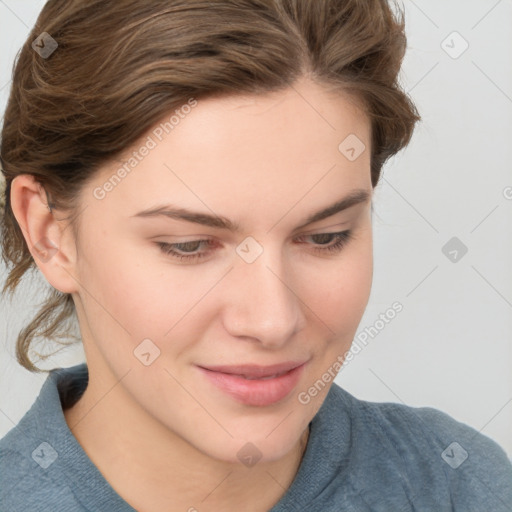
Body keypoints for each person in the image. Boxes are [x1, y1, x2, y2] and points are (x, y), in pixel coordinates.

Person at [0, 0, 511, 510]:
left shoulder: (459, 485)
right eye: (189, 245)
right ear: (50, 235)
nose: (273, 321)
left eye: (325, 236)